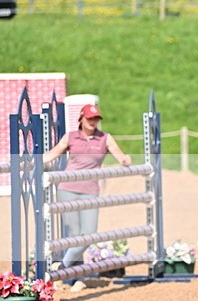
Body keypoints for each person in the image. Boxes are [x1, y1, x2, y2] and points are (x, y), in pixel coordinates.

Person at [43, 103, 132, 290]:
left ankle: (61, 269)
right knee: (76, 236)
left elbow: (120, 156)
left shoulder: (105, 138)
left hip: (90, 191)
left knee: (88, 236)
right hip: (67, 189)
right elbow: (51, 154)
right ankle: (79, 278)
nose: (93, 121)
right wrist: (32, 162)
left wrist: (126, 160)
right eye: (90, 118)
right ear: (81, 119)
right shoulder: (70, 137)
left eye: (96, 118)